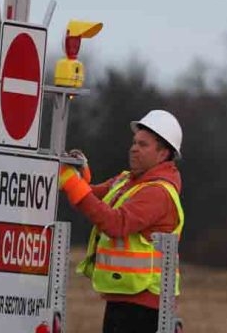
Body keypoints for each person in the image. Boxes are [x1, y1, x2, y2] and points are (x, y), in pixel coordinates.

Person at [59, 109, 185, 333]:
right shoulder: (127, 180)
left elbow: (116, 224)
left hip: (144, 306)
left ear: (163, 153)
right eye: (134, 142)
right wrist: (80, 176)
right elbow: (88, 198)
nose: (134, 148)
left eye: (143, 145)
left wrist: (73, 184)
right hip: (125, 297)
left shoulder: (158, 192)